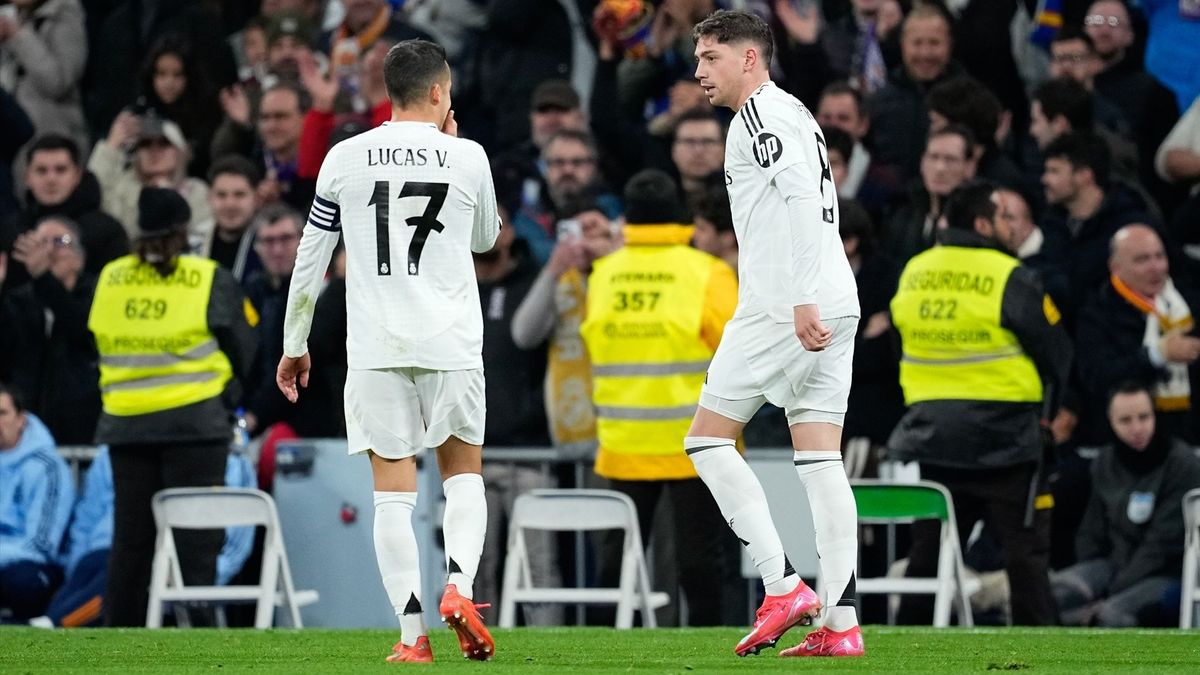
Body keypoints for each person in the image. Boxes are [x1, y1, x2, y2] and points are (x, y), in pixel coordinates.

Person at [276, 39, 500, 663]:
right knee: (463, 477)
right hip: (451, 342)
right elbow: (485, 238)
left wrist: (296, 344)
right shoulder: (467, 155)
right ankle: (459, 586)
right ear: (437, 93)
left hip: (374, 346)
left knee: (391, 496)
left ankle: (412, 636)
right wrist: (454, 148)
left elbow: (310, 259)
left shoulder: (344, 158)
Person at [687, 10, 863, 657]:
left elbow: (802, 202)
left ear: (749, 59)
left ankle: (781, 583)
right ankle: (840, 625)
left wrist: (799, 296)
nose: (699, 70)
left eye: (710, 57)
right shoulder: (793, 114)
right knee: (820, 461)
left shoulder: (759, 116)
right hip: (831, 300)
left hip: (784, 305)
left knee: (706, 440)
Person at [889, 181, 1073, 626]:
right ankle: (1039, 649)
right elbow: (1057, 351)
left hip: (934, 434)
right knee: (1025, 555)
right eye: (1003, 217)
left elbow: (900, 340)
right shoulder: (1008, 274)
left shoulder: (915, 269)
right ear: (981, 223)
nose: (1011, 227)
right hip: (1005, 438)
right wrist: (1052, 412)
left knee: (928, 552)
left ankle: (906, 643)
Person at [87, 187, 255, 627]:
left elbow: (95, 341)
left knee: (131, 540)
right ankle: (196, 637)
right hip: (195, 423)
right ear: (183, 229)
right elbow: (243, 342)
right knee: (196, 541)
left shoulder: (111, 277)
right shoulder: (204, 276)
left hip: (127, 423)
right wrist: (231, 395)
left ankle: (118, 637)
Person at [579, 169, 739, 626]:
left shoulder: (603, 275)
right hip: (698, 445)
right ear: (681, 215)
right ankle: (719, 652)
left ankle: (596, 655)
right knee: (702, 567)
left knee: (614, 569)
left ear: (628, 216)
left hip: (622, 444)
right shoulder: (709, 273)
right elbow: (735, 351)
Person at [1053, 382, 1200, 626]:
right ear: (1111, 421)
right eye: (1126, 420)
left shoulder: (1182, 465)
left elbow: (1161, 545)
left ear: (1155, 415)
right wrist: (1089, 578)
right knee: (1056, 593)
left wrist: (1112, 590)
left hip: (1167, 573)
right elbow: (1091, 531)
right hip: (1113, 563)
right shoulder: (1104, 462)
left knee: (1111, 615)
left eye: (1144, 417)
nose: (1137, 428)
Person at [1075, 225, 1199, 445]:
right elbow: (1098, 379)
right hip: (1123, 446)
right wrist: (1156, 356)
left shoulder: (1188, 306)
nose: (1156, 267)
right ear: (1116, 267)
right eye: (1142, 260)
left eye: (1160, 257)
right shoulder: (1097, 313)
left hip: (1190, 437)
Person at [0, 382, 74, 622]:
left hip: (32, 564)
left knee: (23, 582)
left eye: (2, 413)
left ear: (22, 419)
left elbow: (41, 545)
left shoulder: (47, 467)